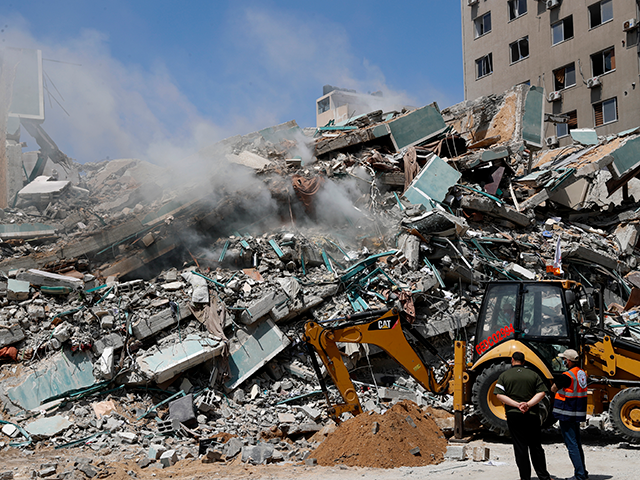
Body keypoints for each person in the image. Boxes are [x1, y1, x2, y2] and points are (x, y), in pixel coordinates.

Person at [494, 351, 553, 480]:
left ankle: (525, 477)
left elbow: (499, 395)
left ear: (512, 360)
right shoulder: (533, 374)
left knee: (520, 447)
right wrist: (528, 404)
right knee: (536, 446)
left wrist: (517, 405)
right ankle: (543, 476)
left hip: (514, 415)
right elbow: (542, 393)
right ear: (524, 362)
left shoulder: (504, 375)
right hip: (531, 415)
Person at [551, 348, 588, 480]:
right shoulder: (581, 373)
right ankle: (583, 471)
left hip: (567, 412)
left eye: (564, 359)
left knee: (571, 444)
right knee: (576, 443)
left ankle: (579, 475)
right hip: (578, 412)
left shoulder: (567, 375)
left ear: (568, 361)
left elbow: (553, 388)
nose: (563, 362)